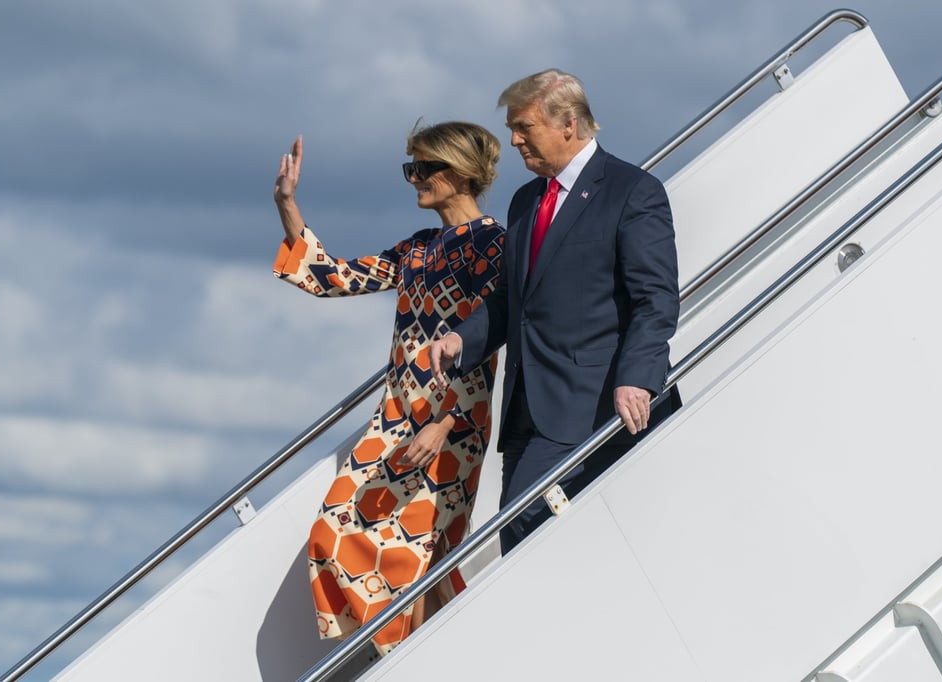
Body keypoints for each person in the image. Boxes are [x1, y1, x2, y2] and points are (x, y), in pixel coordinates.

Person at [272, 121, 505, 656]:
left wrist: (446, 424)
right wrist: (288, 204)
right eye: (411, 169)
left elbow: (491, 338)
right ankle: (441, 658)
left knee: (419, 554)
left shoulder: (494, 246)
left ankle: (414, 661)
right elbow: (333, 277)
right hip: (395, 419)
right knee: (333, 536)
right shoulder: (418, 250)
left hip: (453, 426)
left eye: (424, 169)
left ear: (460, 173)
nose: (414, 179)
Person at [430, 69, 682, 554]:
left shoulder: (632, 191)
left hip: (592, 403)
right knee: (520, 540)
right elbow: (511, 299)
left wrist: (639, 377)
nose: (513, 138)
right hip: (526, 408)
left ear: (569, 122)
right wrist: (463, 339)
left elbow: (656, 298)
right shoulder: (526, 201)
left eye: (524, 126)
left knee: (524, 524)